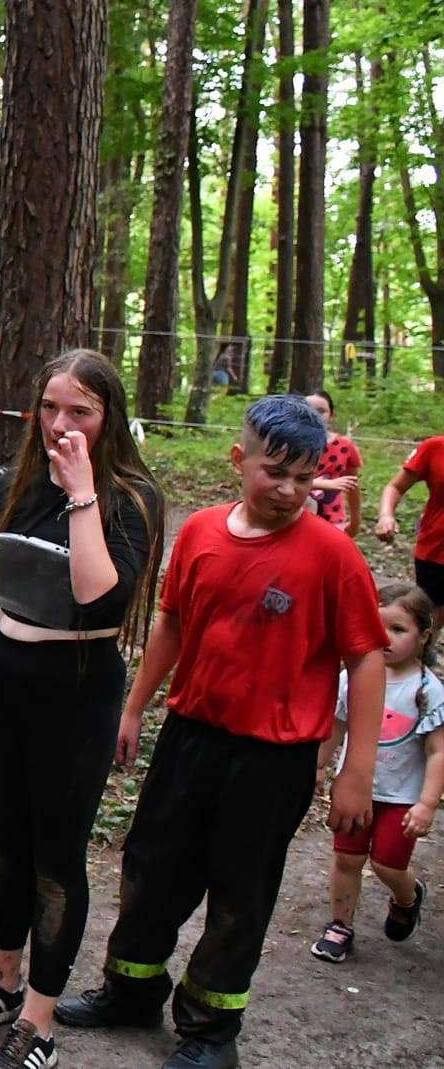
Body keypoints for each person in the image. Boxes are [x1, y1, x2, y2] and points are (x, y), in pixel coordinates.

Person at [56, 396, 387, 1069]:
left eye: (305, 475)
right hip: (190, 737)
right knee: (151, 867)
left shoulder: (333, 555)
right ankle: (131, 989)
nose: (291, 489)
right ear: (241, 461)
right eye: (276, 472)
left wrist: (358, 768)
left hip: (274, 757)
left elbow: (368, 656)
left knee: (240, 888)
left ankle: (210, 1028)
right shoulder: (202, 532)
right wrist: (135, 706)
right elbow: (173, 623)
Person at [0, 349, 164, 1069]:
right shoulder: (18, 483)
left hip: (78, 688)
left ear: (108, 418)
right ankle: (1, 978)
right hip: (6, 680)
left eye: (81, 412)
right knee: (8, 847)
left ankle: (40, 1016)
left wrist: (83, 490)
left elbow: (102, 594)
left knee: (57, 861)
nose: (62, 423)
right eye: (52, 406)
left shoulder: (131, 496)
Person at [309, 580, 443, 963]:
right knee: (347, 859)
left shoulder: (428, 690)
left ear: (423, 636)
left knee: (387, 863)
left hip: (402, 797)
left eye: (399, 629)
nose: (386, 637)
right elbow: (335, 727)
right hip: (357, 790)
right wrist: (319, 767)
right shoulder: (351, 677)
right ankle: (340, 925)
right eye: (378, 624)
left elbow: (438, 752)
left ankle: (407, 895)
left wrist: (427, 804)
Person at [374, 434, 444, 606]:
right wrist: (386, 515)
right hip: (436, 551)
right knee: (432, 618)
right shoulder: (435, 447)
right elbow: (396, 486)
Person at [304, 389, 361, 537]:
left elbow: (352, 485)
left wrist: (355, 520)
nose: (315, 415)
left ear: (331, 416)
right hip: (296, 517)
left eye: (321, 411)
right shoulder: (290, 445)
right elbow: (284, 480)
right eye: (309, 410)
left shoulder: (345, 446)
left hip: (333, 520)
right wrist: (324, 484)